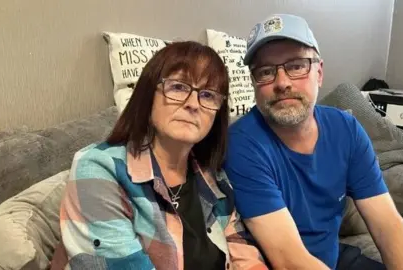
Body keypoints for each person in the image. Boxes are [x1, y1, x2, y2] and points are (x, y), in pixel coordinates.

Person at [223, 14, 403, 270]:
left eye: (297, 66)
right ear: (254, 83)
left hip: (335, 259)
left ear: (319, 72)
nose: (282, 83)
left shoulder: (346, 129)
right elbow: (289, 261)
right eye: (265, 72)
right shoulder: (242, 144)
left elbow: (389, 227)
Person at [53, 41, 268, 270]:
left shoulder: (215, 180)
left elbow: (246, 257)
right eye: (178, 87)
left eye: (207, 95)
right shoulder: (98, 169)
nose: (193, 104)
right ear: (148, 96)